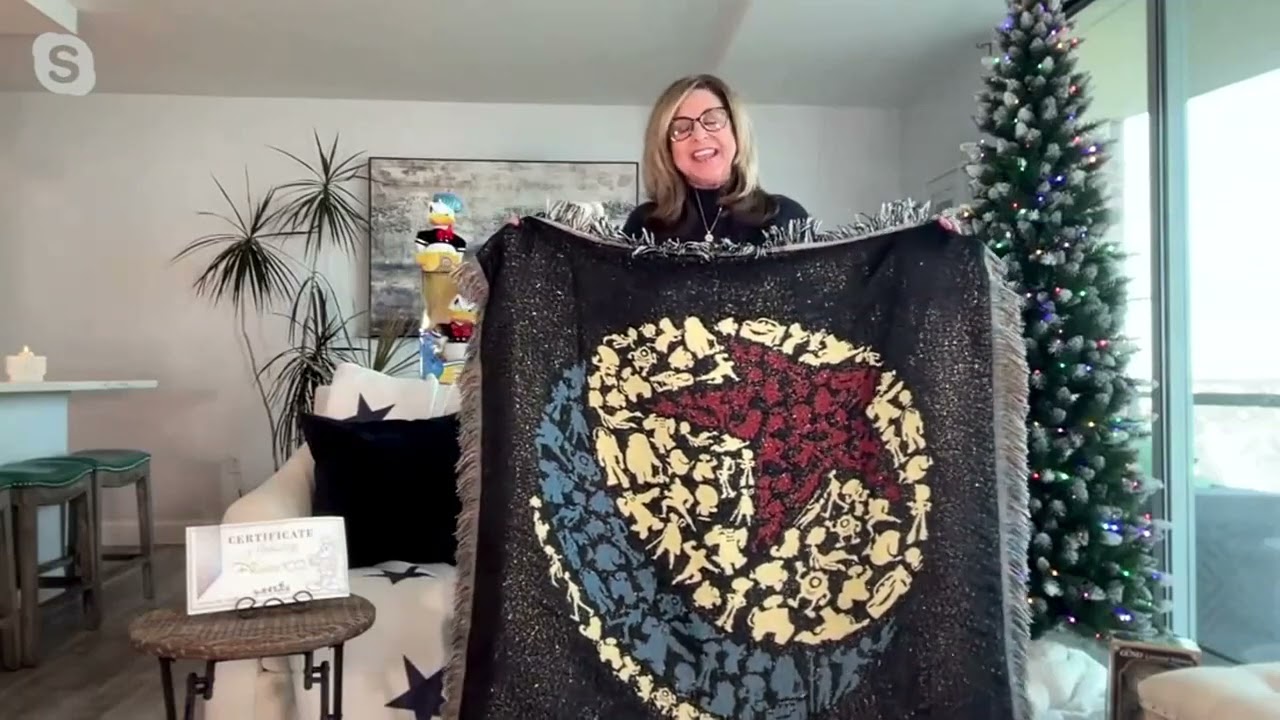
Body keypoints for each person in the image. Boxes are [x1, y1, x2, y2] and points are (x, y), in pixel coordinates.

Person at [622, 73, 808, 245]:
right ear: (666, 148)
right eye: (681, 128)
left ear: (737, 131)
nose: (699, 135)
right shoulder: (643, 225)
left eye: (712, 120)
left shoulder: (787, 218)